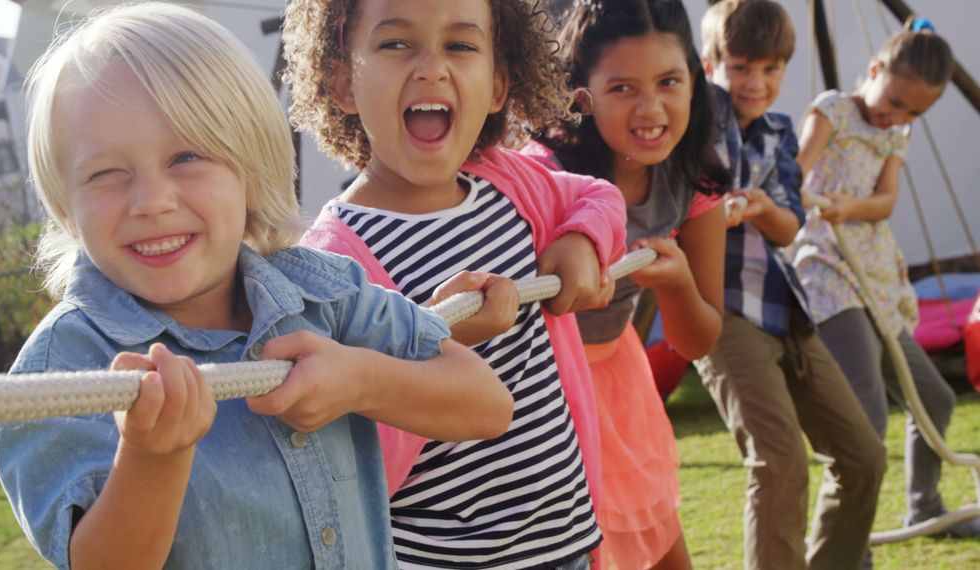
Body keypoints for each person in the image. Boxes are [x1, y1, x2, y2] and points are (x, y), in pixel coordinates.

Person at [0, 4, 514, 569]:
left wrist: (358, 380)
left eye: (187, 156)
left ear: (249, 170)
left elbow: (486, 405)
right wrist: (152, 456)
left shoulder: (323, 292)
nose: (152, 201)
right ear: (67, 209)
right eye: (105, 173)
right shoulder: (63, 369)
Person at [283, 0, 629, 567]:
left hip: (566, 541)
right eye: (397, 44)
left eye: (460, 45)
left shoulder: (508, 180)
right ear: (342, 83)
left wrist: (581, 242)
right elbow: (352, 447)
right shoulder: (333, 261)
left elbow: (598, 197)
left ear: (497, 85)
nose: (432, 68)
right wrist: (439, 342)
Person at [527, 1, 732, 567]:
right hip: (546, 398)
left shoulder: (693, 182)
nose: (651, 108)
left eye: (668, 81)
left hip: (621, 385)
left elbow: (698, 342)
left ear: (694, 79)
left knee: (664, 548)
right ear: (581, 97)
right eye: (622, 88)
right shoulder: (543, 175)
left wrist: (678, 287)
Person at [695, 1, 886, 568]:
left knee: (863, 459)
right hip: (724, 310)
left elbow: (787, 226)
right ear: (711, 65)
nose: (756, 83)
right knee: (779, 464)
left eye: (771, 70)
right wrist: (722, 207)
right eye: (742, 67)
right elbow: (697, 184)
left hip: (785, 305)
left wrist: (756, 208)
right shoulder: (701, 114)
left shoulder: (780, 129)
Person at [788, 18, 979, 537]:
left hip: (874, 272)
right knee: (866, 406)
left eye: (913, 112)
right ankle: (850, 538)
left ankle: (924, 506)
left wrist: (853, 206)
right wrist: (808, 198)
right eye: (893, 101)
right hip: (829, 267)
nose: (896, 115)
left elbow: (886, 202)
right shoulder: (833, 110)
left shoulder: (896, 136)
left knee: (934, 397)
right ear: (872, 70)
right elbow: (796, 170)